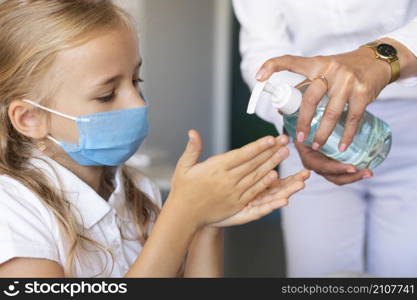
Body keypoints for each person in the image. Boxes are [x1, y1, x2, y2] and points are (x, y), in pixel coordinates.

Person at [0, 0, 310, 278]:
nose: (139, 103)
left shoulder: (138, 192)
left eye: (136, 80)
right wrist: (181, 216)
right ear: (30, 118)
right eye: (107, 95)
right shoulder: (13, 215)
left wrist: (205, 221)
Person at [233, 0, 417, 277]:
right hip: (318, 136)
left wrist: (382, 56)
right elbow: (263, 49)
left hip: (410, 126)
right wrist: (298, 119)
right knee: (319, 278)